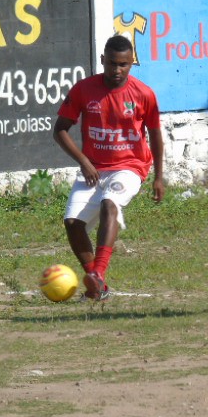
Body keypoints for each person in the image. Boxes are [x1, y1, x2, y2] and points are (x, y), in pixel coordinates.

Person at [53, 35, 164, 301]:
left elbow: (155, 135)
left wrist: (159, 177)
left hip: (130, 166)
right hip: (93, 169)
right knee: (72, 223)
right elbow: (60, 130)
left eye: (123, 64)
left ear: (132, 63)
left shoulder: (144, 94)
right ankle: (97, 286)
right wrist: (84, 161)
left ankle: (98, 273)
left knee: (109, 203)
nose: (117, 70)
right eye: (112, 63)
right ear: (103, 60)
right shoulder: (84, 90)